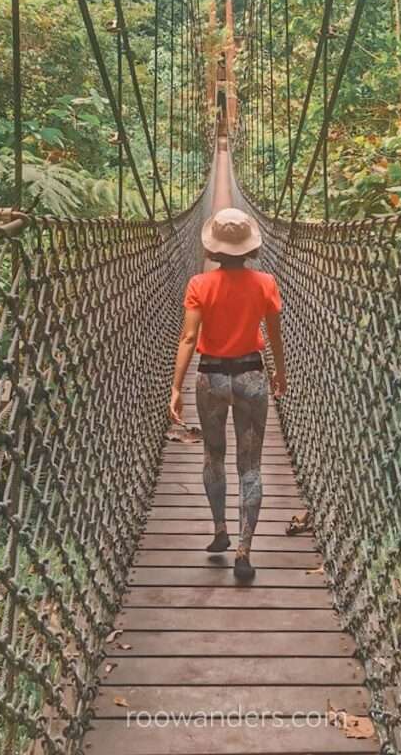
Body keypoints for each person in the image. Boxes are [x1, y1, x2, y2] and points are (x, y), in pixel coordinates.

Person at [169, 207, 287, 582]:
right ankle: (243, 552)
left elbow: (189, 337)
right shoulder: (266, 283)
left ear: (215, 248)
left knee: (213, 455)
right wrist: (279, 372)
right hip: (251, 376)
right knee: (250, 466)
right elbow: (274, 335)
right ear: (249, 246)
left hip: (211, 378)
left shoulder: (199, 284)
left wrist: (176, 386)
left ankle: (220, 530)